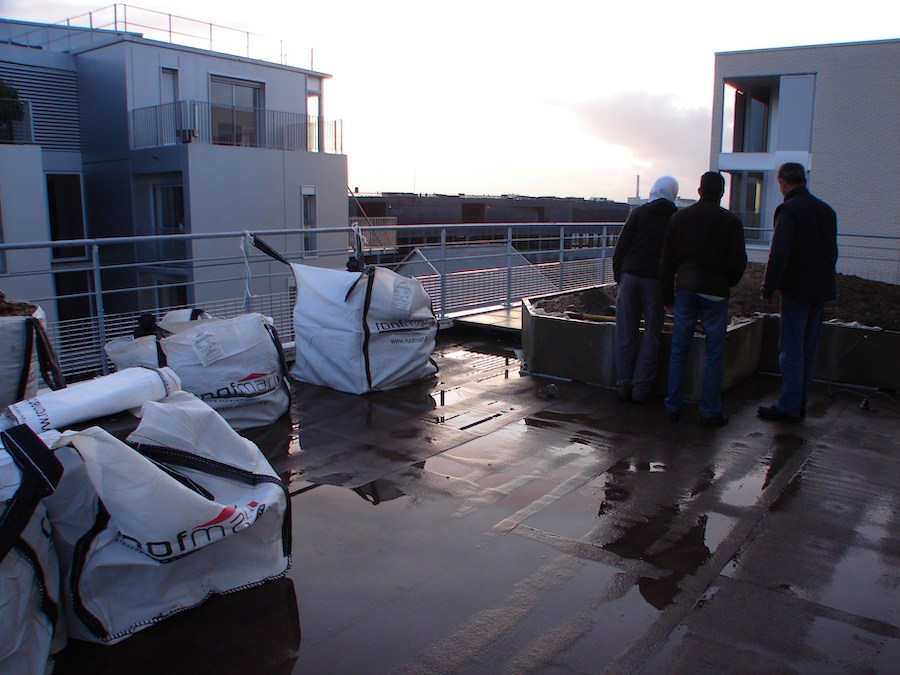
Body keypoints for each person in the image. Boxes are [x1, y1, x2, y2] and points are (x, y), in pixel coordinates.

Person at [660, 171, 747, 427]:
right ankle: (709, 412)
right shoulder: (730, 222)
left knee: (679, 350)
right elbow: (738, 262)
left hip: (685, 288)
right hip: (716, 293)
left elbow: (666, 261)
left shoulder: (679, 218)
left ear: (699, 191)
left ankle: (673, 406)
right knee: (714, 354)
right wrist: (726, 282)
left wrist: (667, 295)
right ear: (721, 193)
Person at [757, 163, 838, 423]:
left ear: (782, 182)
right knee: (807, 348)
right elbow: (832, 253)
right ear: (803, 180)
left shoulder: (789, 210)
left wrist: (769, 288)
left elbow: (779, 254)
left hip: (797, 289)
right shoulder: (826, 211)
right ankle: (800, 402)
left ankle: (789, 406)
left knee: (791, 348)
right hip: (821, 288)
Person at [612, 175, 679, 403]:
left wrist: (619, 278)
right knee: (652, 335)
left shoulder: (639, 213)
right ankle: (641, 390)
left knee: (625, 333)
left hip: (630, 277)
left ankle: (623, 386)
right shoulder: (675, 218)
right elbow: (673, 259)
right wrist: (669, 291)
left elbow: (621, 248)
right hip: (655, 281)